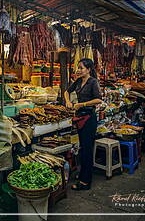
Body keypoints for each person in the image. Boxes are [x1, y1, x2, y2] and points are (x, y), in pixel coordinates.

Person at [64, 58, 102, 190]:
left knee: (87, 150)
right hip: (80, 117)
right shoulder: (79, 81)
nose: (78, 70)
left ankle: (86, 182)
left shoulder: (93, 82)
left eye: (81, 68)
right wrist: (68, 102)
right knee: (82, 149)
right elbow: (66, 91)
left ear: (89, 69)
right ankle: (82, 175)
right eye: (78, 68)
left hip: (89, 118)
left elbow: (98, 100)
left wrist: (82, 104)